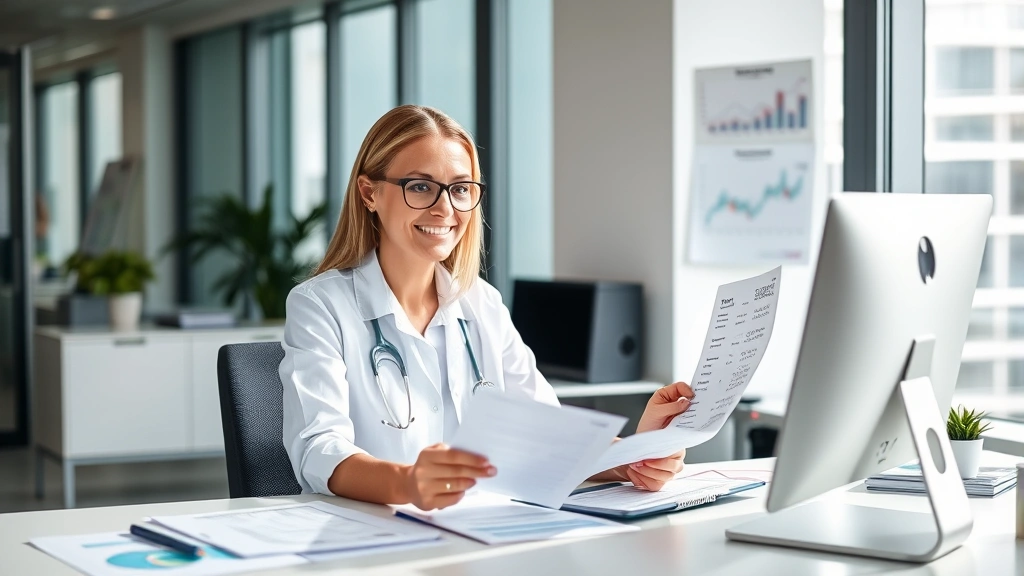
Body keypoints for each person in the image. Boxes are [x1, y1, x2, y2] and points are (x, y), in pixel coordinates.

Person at [281, 105, 694, 511]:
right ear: (370, 193)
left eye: (460, 189)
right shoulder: (321, 305)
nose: (445, 209)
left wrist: (637, 456)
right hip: (370, 542)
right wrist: (407, 483)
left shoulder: (479, 302)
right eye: (421, 186)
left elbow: (546, 432)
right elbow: (318, 450)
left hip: (478, 534)